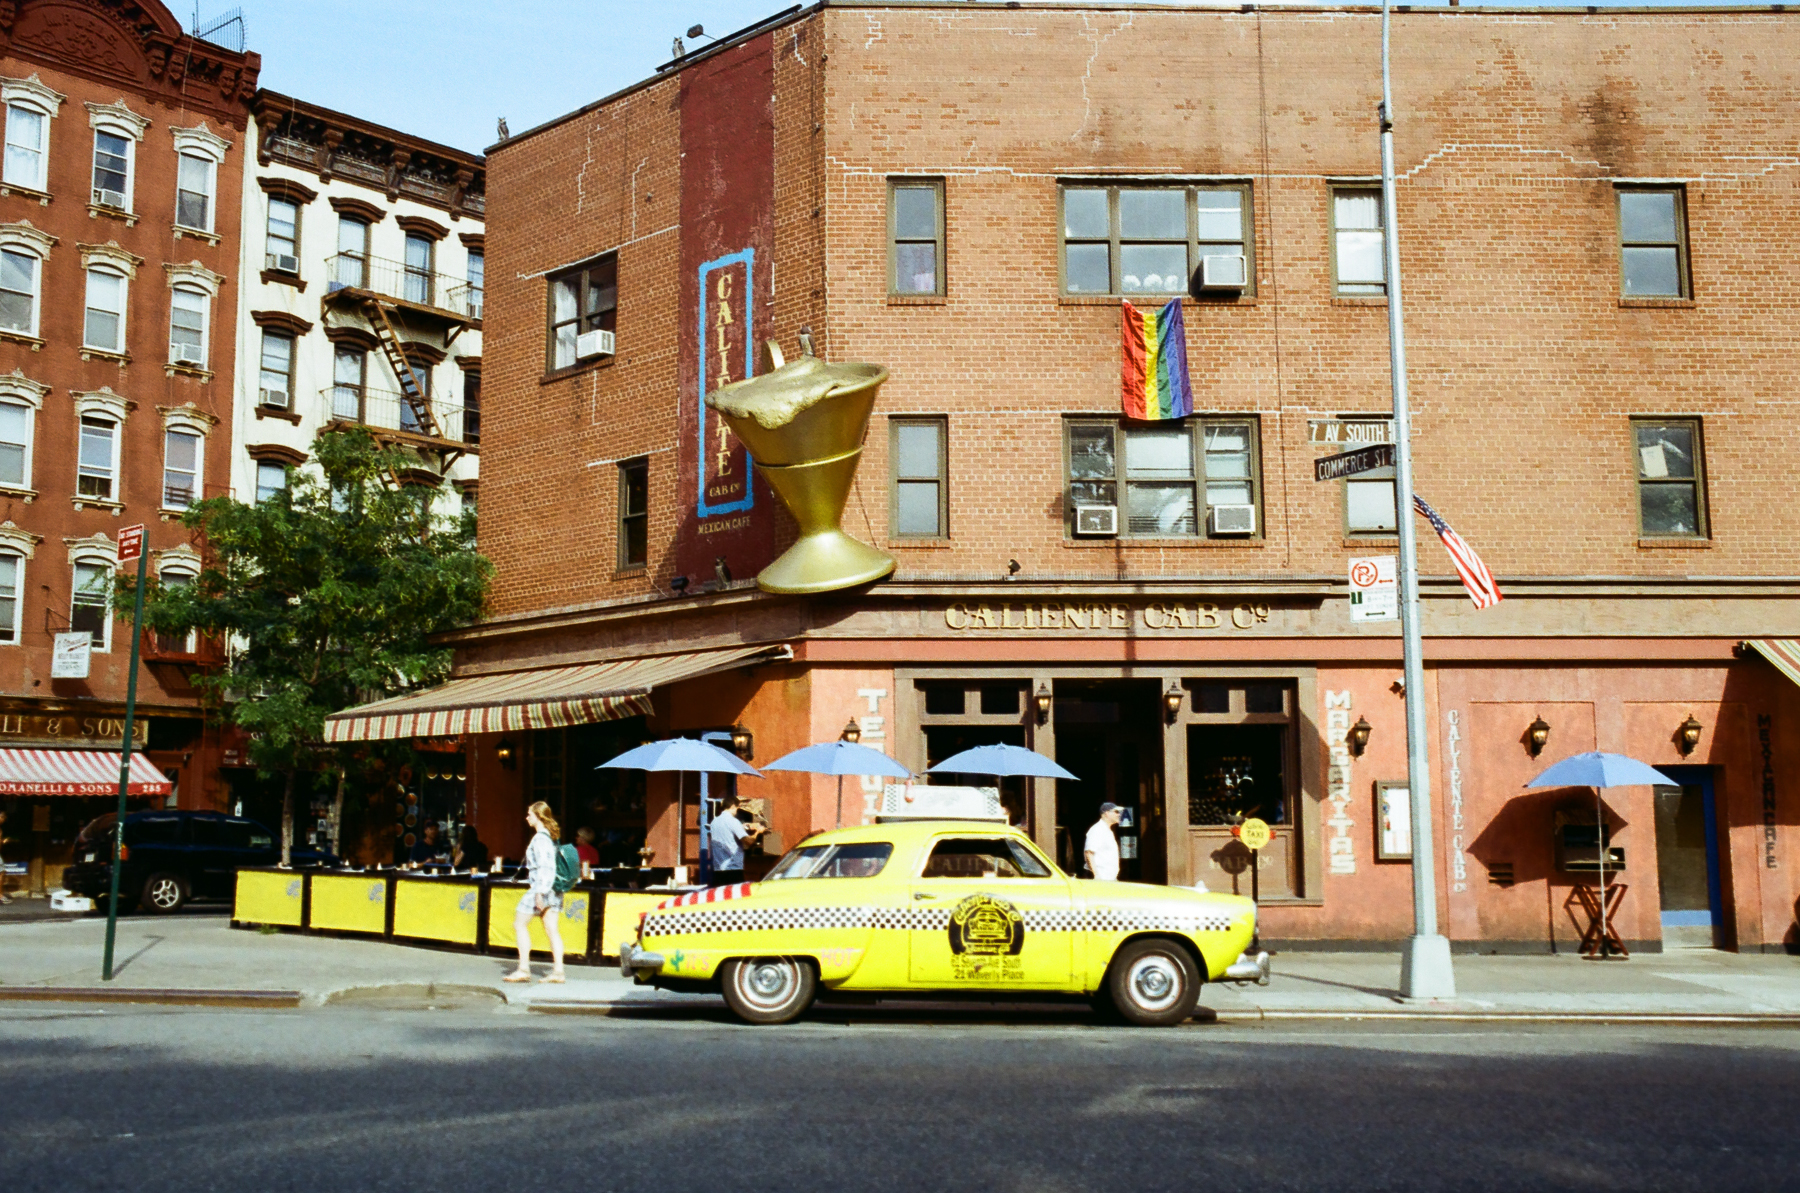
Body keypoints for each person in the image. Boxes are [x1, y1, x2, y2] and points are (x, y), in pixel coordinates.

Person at [504, 801, 565, 984]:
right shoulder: (549, 838)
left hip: (541, 888)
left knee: (519, 924)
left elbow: (545, 867)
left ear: (538, 816)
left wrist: (540, 893)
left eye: (529, 814)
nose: (527, 817)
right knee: (551, 929)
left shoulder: (540, 839)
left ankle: (523, 969)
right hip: (552, 889)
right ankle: (558, 971)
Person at [708, 793, 764, 888]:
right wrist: (758, 832)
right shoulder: (733, 821)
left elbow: (727, 832)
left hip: (718, 870)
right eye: (738, 808)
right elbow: (749, 842)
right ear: (733, 806)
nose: (737, 811)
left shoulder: (714, 822)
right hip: (733, 869)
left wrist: (744, 826)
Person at [1084, 802, 1123, 881]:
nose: (1119, 814)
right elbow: (1089, 853)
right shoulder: (1097, 830)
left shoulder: (1107, 831)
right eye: (1116, 812)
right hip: (1101, 879)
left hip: (1109, 878)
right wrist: (1096, 875)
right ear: (1107, 813)